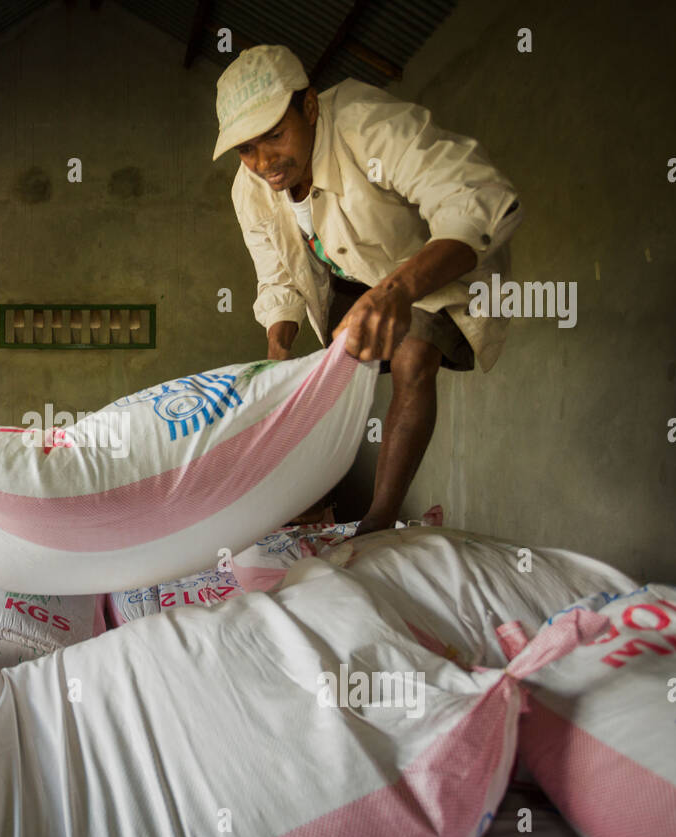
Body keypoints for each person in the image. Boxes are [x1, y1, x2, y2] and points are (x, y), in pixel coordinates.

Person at [215, 45, 523, 536]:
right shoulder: (247, 189)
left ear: (310, 107)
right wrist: (278, 351)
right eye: (246, 149)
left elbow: (477, 198)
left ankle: (379, 522)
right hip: (344, 270)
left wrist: (398, 290)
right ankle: (312, 508)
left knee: (413, 357)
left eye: (274, 135)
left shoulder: (367, 124)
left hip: (426, 260)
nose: (264, 161)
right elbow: (275, 277)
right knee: (326, 378)